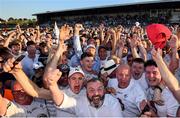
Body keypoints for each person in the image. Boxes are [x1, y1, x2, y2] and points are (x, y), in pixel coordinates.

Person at [46, 70, 123, 117]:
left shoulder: (113, 102)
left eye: (99, 89)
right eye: (91, 90)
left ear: (104, 90)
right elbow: (61, 101)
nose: (96, 93)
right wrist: (52, 85)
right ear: (86, 92)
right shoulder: (81, 102)